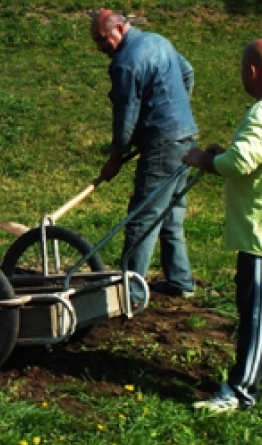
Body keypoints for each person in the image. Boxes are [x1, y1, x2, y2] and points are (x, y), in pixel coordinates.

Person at [184, 38, 262, 412]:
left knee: (257, 316)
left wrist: (202, 160)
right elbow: (258, 159)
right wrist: (223, 155)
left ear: (253, 71)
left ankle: (240, 391)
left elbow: (240, 163)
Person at [90, 9, 198, 301]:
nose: (100, 48)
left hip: (163, 146)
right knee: (171, 215)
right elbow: (188, 72)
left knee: (142, 218)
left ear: (120, 29)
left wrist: (115, 156)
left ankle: (132, 293)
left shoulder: (125, 64)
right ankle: (181, 281)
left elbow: (126, 116)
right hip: (186, 139)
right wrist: (175, 114)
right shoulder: (158, 41)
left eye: (103, 40)